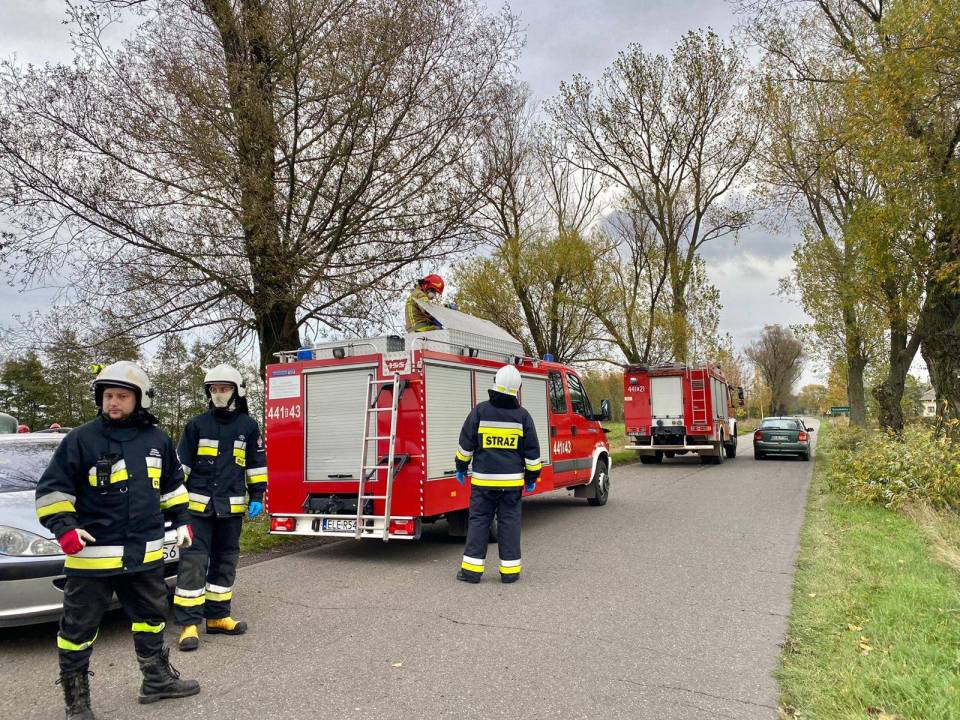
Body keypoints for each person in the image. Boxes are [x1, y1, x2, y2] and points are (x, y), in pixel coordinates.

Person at [35, 361, 199, 720]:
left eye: (122, 396)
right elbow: (52, 491)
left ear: (140, 399)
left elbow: (172, 488)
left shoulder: (157, 440)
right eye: (108, 395)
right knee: (77, 631)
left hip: (144, 556)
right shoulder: (81, 439)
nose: (113, 402)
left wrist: (183, 521)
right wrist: (64, 527)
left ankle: (156, 681)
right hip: (92, 560)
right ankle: (77, 702)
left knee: (152, 618)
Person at [174, 364, 267, 651]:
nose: (218, 393)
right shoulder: (196, 425)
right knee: (194, 564)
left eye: (224, 388)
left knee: (226, 561)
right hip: (197, 510)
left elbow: (256, 465)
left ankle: (217, 617)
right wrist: (174, 505)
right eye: (213, 389)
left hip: (231, 508)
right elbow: (181, 469)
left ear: (236, 392)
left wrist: (257, 495)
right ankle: (189, 624)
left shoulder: (248, 427)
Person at [453, 364, 541, 583]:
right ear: (517, 389)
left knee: (479, 522)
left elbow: (466, 445)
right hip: (511, 484)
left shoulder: (480, 411)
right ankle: (510, 573)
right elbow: (532, 454)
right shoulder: (523, 416)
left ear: (495, 382)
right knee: (509, 524)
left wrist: (461, 467)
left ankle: (471, 572)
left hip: (483, 482)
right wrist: (531, 478)